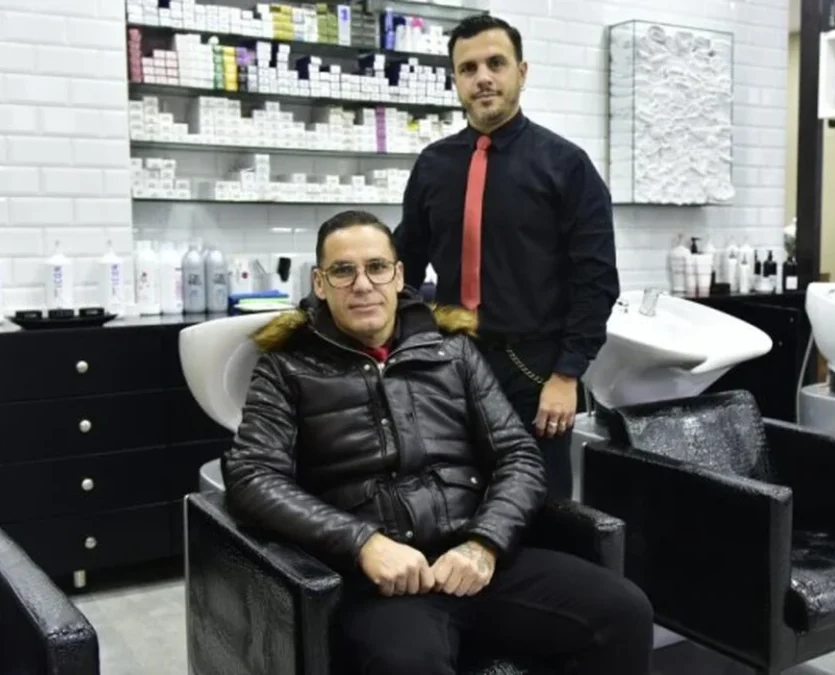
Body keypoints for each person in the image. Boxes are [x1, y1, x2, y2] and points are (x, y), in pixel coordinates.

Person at [222, 211, 653, 675]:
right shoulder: (287, 368)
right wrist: (363, 543)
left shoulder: (451, 351)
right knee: (410, 664)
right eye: (343, 271)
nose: (362, 285)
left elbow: (518, 455)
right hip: (383, 584)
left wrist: (484, 543)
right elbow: (251, 476)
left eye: (376, 267)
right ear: (320, 283)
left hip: (474, 558)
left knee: (623, 611)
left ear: (398, 275)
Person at [394, 14, 620, 499]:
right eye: (468, 68)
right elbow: (404, 262)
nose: (483, 78)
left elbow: (596, 278)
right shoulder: (433, 165)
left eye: (495, 63)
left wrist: (567, 375)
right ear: (455, 80)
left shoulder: (567, 165)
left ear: (522, 71)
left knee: (539, 504)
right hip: (452, 363)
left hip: (534, 369)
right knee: (456, 495)